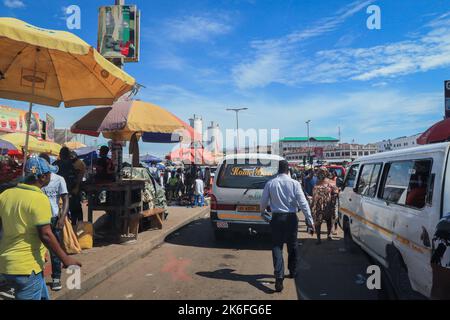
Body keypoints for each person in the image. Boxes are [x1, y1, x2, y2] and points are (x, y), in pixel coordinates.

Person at [0, 157, 81, 300]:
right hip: (26, 268)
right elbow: (46, 235)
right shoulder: (39, 198)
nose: (51, 176)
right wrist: (65, 259)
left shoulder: (6, 194)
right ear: (42, 177)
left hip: (7, 264)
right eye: (49, 173)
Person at [260, 160, 315, 293]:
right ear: (288, 170)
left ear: (278, 170)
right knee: (293, 245)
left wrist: (263, 213)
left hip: (276, 218)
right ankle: (293, 271)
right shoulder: (295, 184)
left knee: (277, 247)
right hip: (291, 218)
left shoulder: (270, 183)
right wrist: (310, 220)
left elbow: (263, 203)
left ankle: (279, 276)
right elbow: (303, 203)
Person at [39, 153, 69, 291]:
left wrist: (62, 218)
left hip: (54, 218)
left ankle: (56, 277)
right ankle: (38, 277)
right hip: (38, 219)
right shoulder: (36, 180)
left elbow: (66, 198)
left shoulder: (59, 179)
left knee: (55, 250)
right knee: (37, 249)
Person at [311, 167, 339, 244]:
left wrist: (334, 195)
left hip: (328, 205)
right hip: (319, 206)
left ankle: (329, 235)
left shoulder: (330, 182)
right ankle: (319, 238)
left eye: (322, 172)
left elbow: (336, 192)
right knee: (318, 222)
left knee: (329, 221)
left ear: (326, 173)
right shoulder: (316, 182)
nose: (321, 174)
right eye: (320, 172)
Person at [53, 148, 79, 226]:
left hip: (57, 194)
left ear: (60, 155)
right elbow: (75, 179)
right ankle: (72, 228)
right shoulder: (71, 165)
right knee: (73, 213)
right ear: (68, 155)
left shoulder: (55, 164)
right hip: (69, 192)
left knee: (59, 214)